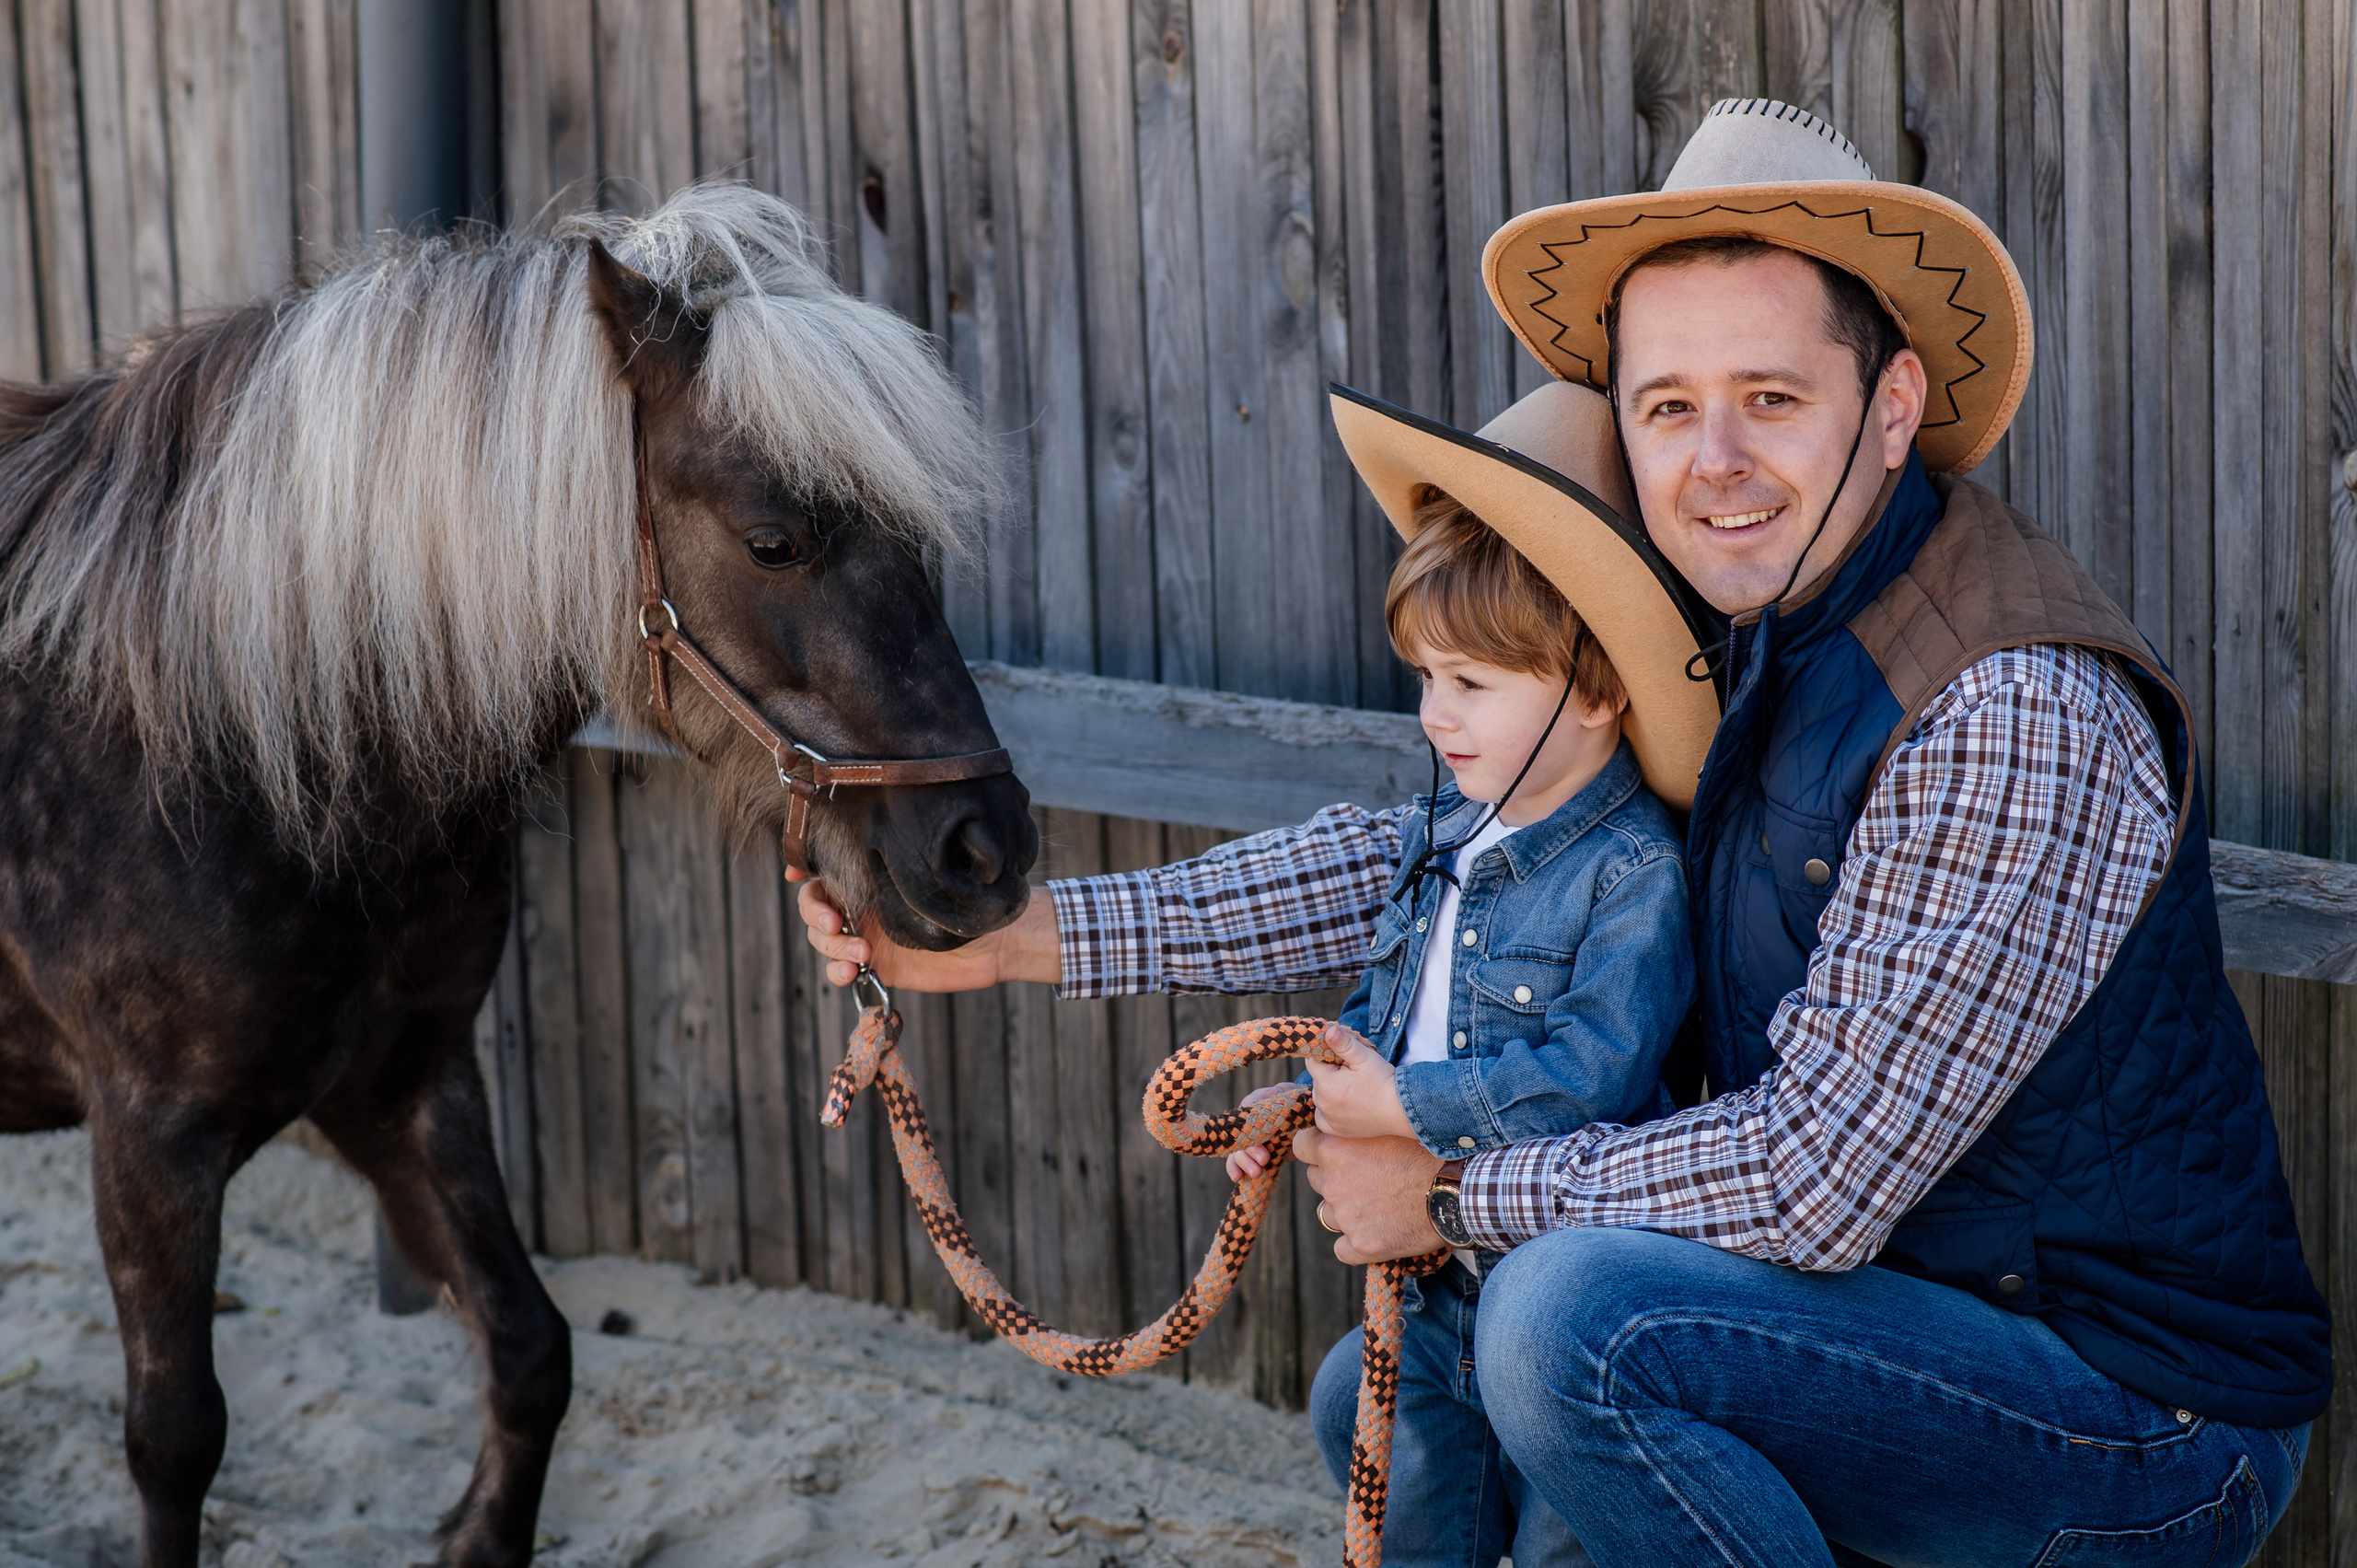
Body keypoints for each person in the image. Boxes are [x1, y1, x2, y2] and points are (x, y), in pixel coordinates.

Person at [800, 99, 2330, 1565]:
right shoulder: (1753, 619)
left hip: (2133, 1420)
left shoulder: (2004, 711)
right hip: (1890, 1318)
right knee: (1384, 1405)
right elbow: (1426, 850)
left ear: (1895, 406)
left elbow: (1814, 1180)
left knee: (1565, 1327)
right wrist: (1014, 941)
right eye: (1668, 406)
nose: (1712, 457)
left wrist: (1449, 1191)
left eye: (1774, 399)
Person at [1217, 381, 1699, 1568]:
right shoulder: (1448, 835)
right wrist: (1316, 1098)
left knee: (1557, 1547)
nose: (1435, 716)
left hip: (1555, 1292)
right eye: (1426, 678)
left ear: (1593, 690)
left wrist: (1404, 1112)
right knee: (1414, 1521)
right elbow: (1390, 1011)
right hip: (1435, 1293)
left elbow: (1590, 1075)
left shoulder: (1635, 875)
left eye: (1471, 685)